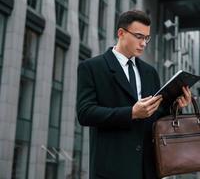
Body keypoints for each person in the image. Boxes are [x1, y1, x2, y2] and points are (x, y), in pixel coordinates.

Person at [76, 10, 192, 179]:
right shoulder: (92, 67)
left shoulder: (149, 72)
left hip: (148, 170)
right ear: (121, 33)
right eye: (139, 36)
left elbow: (157, 118)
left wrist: (176, 106)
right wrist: (131, 113)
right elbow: (85, 113)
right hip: (111, 170)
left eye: (147, 38)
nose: (144, 43)